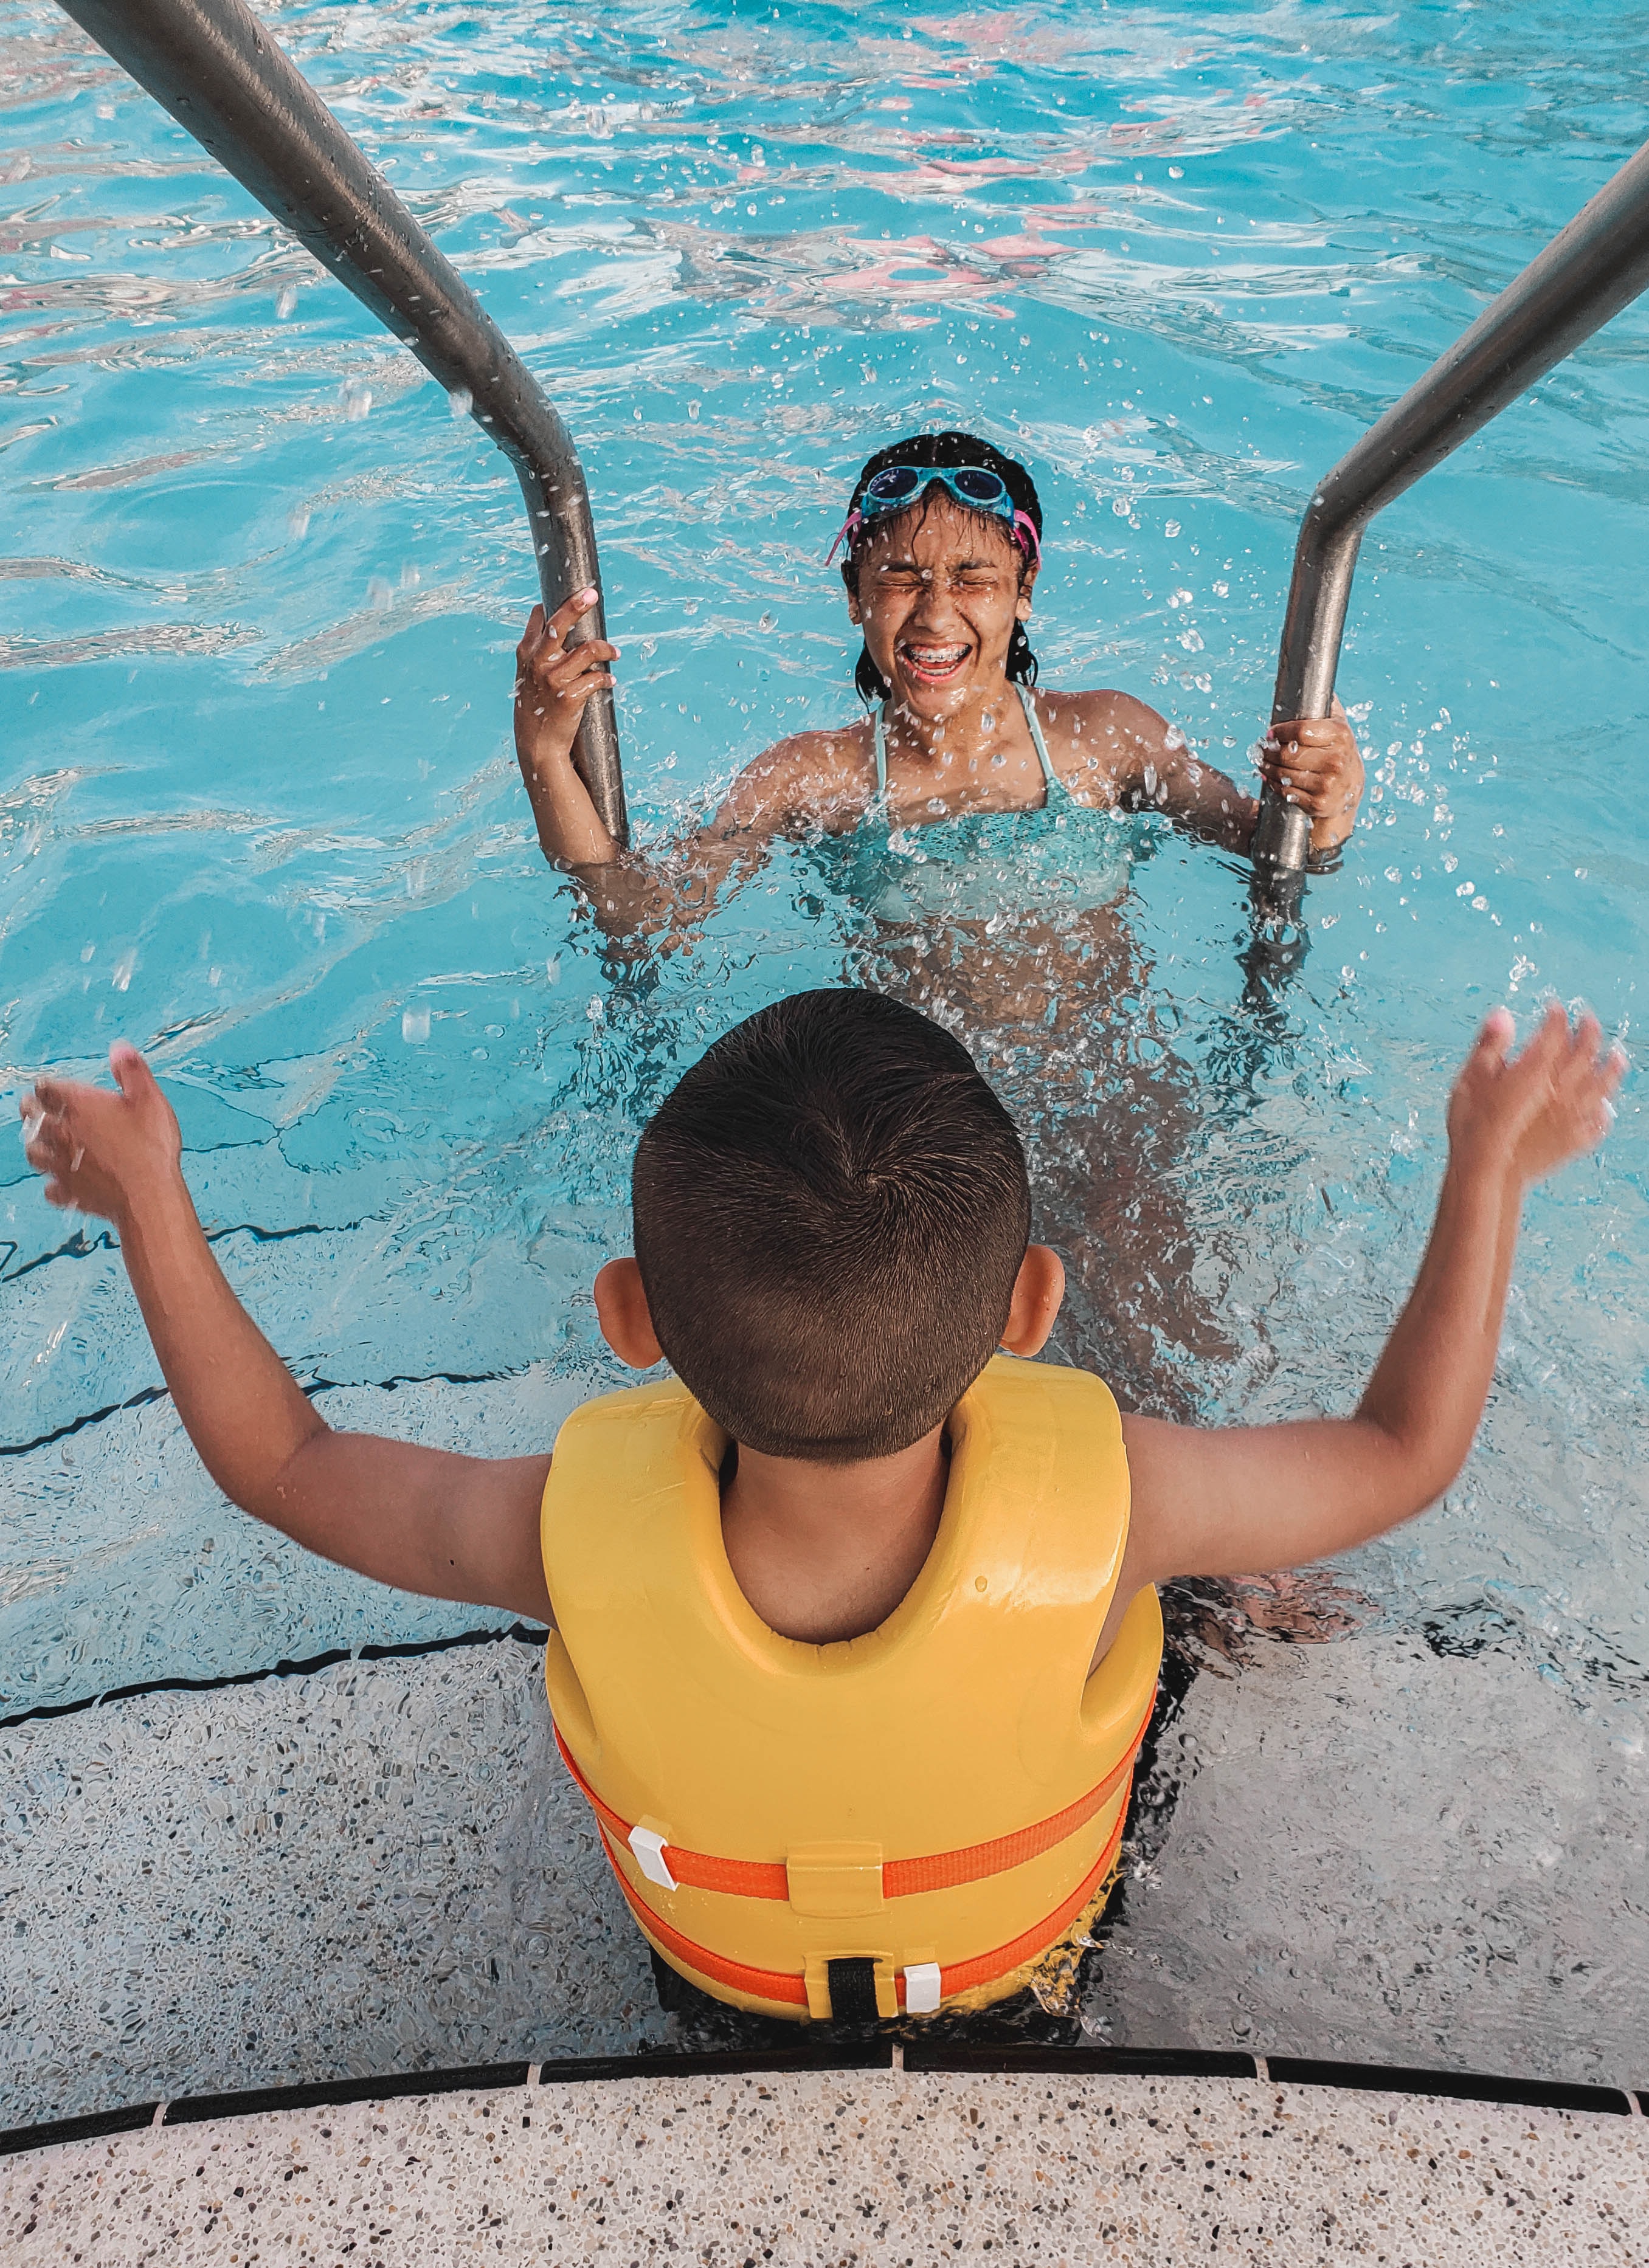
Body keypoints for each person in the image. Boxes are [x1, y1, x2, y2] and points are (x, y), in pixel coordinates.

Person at [19, 990, 1619, 2024]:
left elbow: (283, 1465)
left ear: (630, 1319)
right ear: (1032, 1304)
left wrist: (153, 1197)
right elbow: (1402, 1447)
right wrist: (1488, 1166)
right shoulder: (1123, 1496)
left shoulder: (555, 1539)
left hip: (721, 1994)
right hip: (1030, 1978)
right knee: (1179, 1603)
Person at [510, 431, 1366, 931]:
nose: (935, 614)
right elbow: (640, 920)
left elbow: (1272, 861)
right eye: (900, 579)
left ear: (1024, 592)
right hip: (913, 1142)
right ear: (854, 598)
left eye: (973, 579)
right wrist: (546, 755)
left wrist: (1327, 810)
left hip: (1103, 1103)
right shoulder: (813, 778)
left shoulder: (1107, 736)